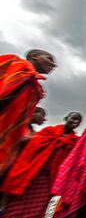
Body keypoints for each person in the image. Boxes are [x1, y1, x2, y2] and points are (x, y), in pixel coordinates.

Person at [0, 112, 81, 218]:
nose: (75, 122)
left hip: (45, 184)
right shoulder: (47, 133)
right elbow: (27, 152)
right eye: (73, 118)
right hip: (26, 179)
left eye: (78, 120)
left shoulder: (73, 142)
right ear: (66, 118)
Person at [0, 50, 56, 179]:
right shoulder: (11, 62)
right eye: (50, 59)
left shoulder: (35, 90)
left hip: (6, 140)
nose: (54, 65)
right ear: (35, 57)